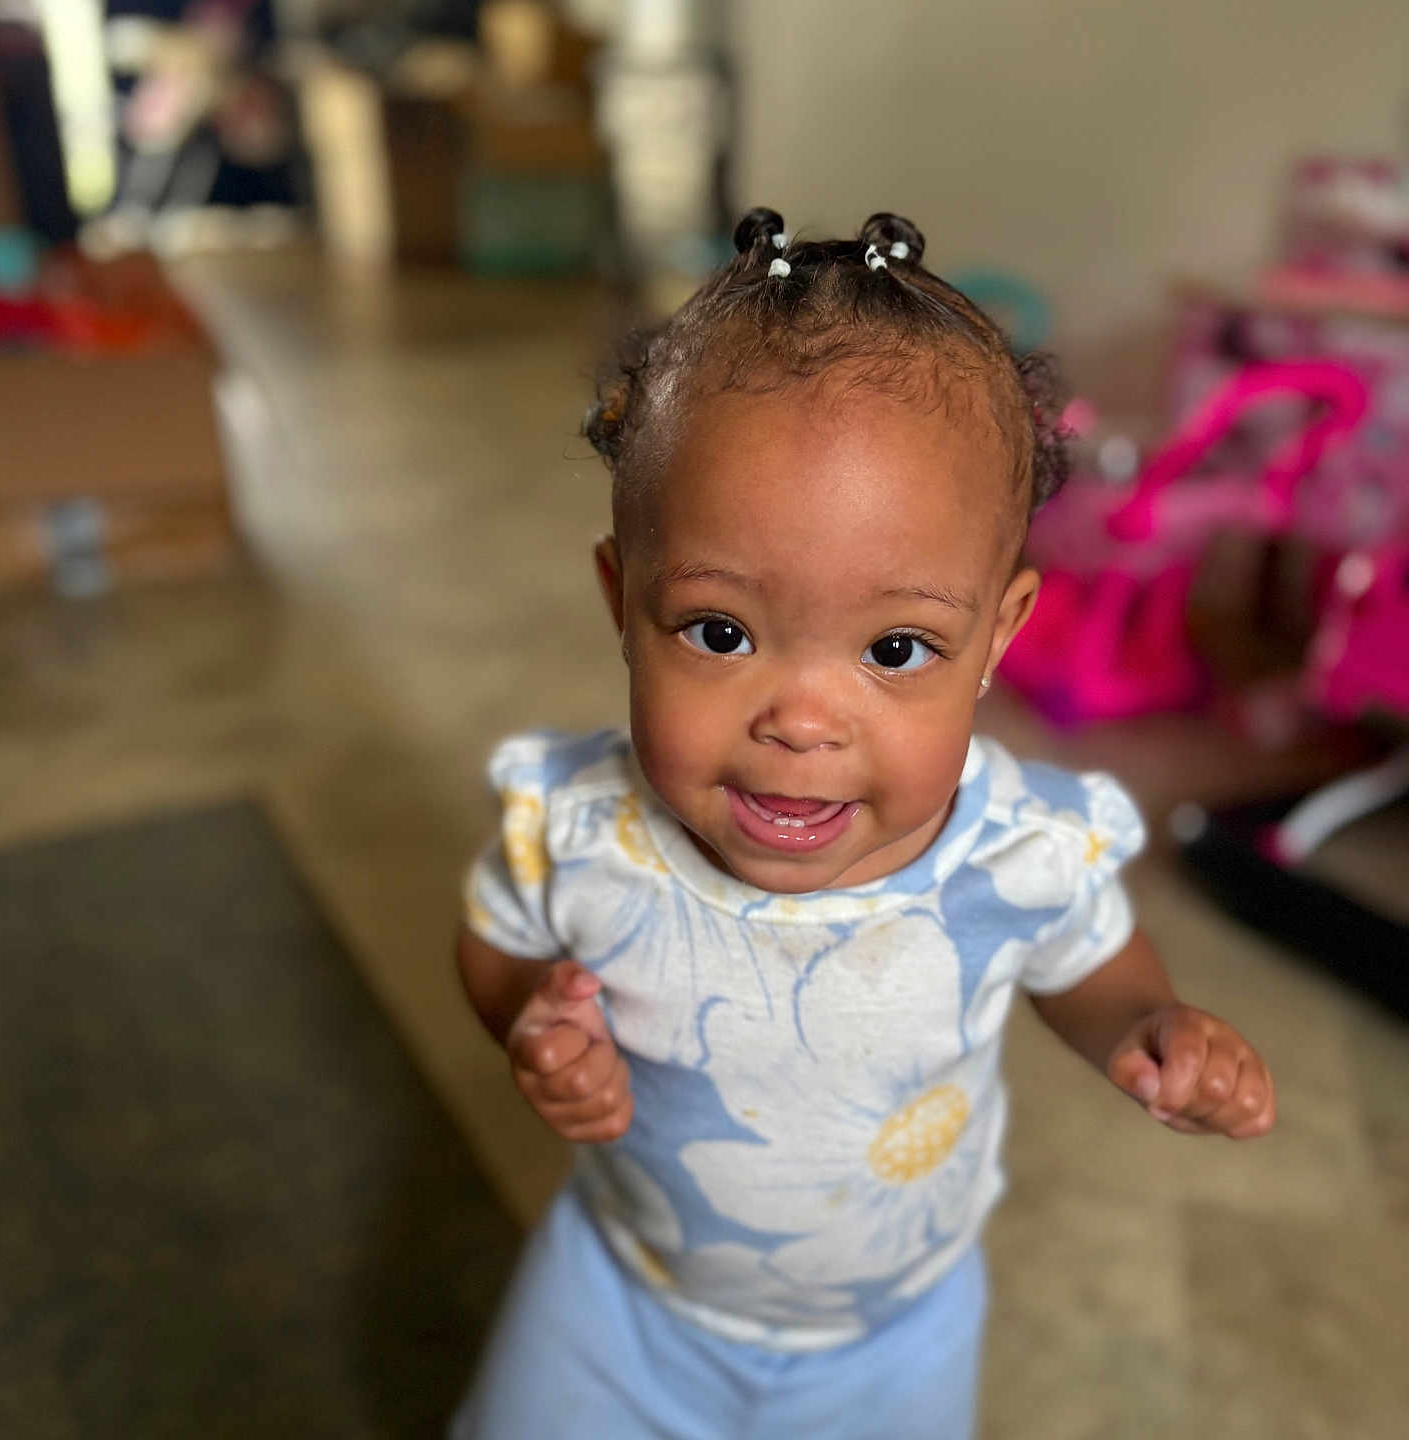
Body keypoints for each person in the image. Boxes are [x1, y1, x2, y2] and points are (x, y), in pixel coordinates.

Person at [451, 209, 1275, 1439]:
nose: (802, 720)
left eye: (896, 649)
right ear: (623, 602)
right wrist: (525, 1012)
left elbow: (1092, 965)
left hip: (895, 1338)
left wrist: (1146, 1028)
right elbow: (493, 937)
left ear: (995, 638)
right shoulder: (579, 828)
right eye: (718, 631)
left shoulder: (1018, 852)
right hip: (623, 1300)